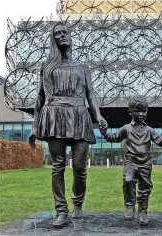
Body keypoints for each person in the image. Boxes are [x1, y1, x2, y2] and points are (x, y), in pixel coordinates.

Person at [28, 22, 107, 228]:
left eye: (64, 32)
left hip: (80, 115)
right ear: (53, 39)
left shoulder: (82, 67)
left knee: (80, 167)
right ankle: (61, 210)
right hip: (55, 115)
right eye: (57, 34)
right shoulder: (47, 66)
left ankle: (78, 203)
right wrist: (35, 126)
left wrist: (98, 115)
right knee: (58, 167)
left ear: (71, 37)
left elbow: (91, 94)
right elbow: (40, 97)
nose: (61, 36)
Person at [101, 95, 162, 226]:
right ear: (130, 112)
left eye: (144, 111)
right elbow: (113, 137)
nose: (141, 114)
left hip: (145, 164)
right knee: (128, 181)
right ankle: (130, 206)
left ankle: (143, 211)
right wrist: (104, 133)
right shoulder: (126, 128)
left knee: (145, 187)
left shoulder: (149, 130)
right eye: (138, 111)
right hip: (130, 162)